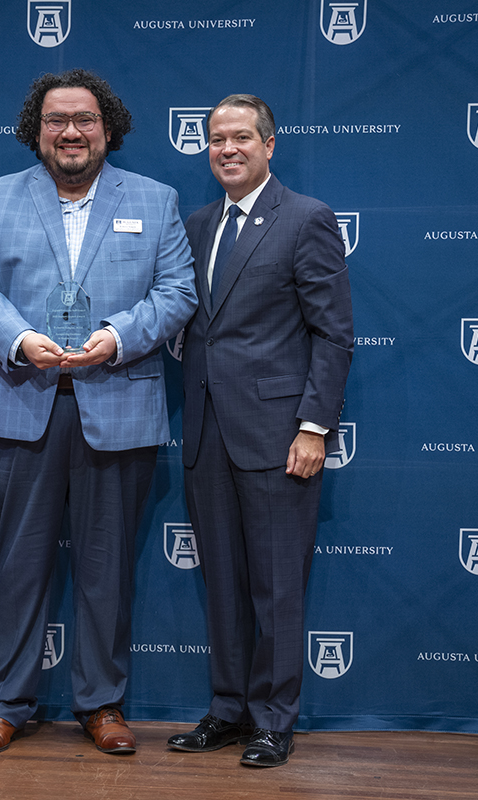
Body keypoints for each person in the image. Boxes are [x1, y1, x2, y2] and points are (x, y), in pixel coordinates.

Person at [0, 69, 196, 755]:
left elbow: (177, 292)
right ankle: (7, 702)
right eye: (57, 120)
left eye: (85, 120)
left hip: (117, 402)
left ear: (108, 128)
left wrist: (117, 337)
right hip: (21, 400)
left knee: (105, 567)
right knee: (19, 566)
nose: (71, 131)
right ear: (37, 131)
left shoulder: (154, 200)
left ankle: (101, 704)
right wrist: (17, 338)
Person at [168, 94, 353, 768]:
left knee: (276, 583)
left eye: (241, 137)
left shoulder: (306, 219)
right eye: (216, 139)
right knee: (222, 580)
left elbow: (334, 335)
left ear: (269, 145)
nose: (227, 149)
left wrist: (313, 427)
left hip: (279, 435)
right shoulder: (196, 224)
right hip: (206, 431)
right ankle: (228, 709)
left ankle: (274, 720)